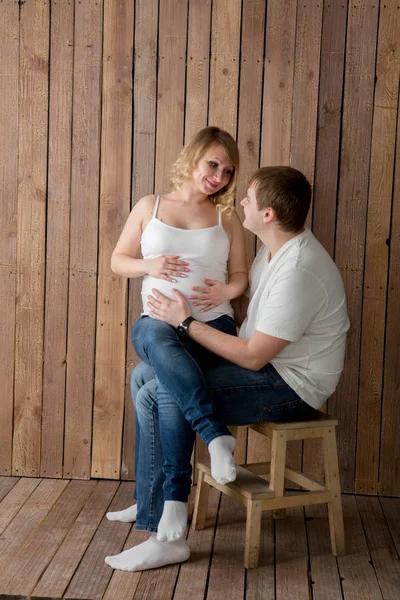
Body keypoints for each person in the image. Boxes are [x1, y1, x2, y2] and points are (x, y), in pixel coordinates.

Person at [105, 165, 350, 573]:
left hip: (290, 387)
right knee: (143, 376)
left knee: (159, 390)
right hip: (268, 368)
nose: (240, 203)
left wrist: (187, 322)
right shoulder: (272, 252)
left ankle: (170, 533)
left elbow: (254, 356)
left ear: (267, 215)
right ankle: (152, 501)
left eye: (248, 199)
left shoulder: (299, 269)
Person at [106, 127, 248, 542]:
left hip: (211, 326)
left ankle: (164, 500)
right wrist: (148, 267)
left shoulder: (227, 217)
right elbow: (118, 260)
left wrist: (227, 290)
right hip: (160, 327)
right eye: (213, 164)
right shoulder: (150, 206)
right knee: (146, 332)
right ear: (194, 157)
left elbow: (240, 275)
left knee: (156, 388)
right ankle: (213, 436)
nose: (219, 176)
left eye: (227, 170)